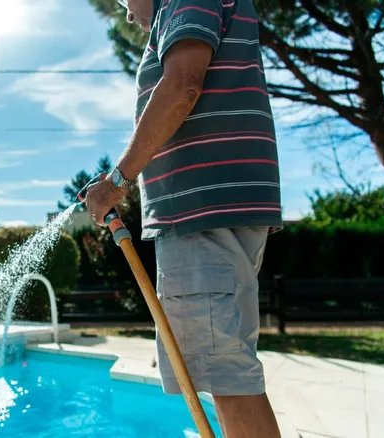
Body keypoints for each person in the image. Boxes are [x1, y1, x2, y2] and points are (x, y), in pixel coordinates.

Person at [85, 0, 283, 437]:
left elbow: (182, 86)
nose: (126, 15)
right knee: (226, 368)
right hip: (216, 209)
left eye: (123, 1)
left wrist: (118, 182)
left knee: (227, 376)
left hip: (203, 214)